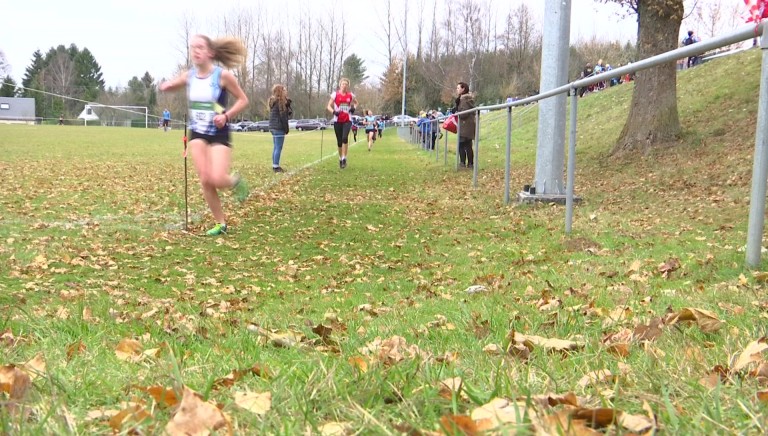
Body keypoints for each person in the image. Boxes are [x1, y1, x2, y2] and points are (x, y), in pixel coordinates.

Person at [159, 34, 250, 236]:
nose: (196, 51)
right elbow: (176, 83)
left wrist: (225, 115)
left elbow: (243, 100)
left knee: (217, 177)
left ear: (210, 52)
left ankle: (235, 181)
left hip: (219, 131)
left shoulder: (222, 76)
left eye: (200, 47)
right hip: (197, 131)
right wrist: (166, 86)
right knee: (206, 180)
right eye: (193, 48)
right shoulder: (190, 76)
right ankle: (221, 223)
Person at [326, 78, 358, 169]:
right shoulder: (335, 94)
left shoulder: (350, 95)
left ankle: (344, 158)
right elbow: (328, 106)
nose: (344, 85)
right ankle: (340, 158)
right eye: (343, 84)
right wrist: (333, 112)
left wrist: (353, 108)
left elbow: (356, 103)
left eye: (346, 84)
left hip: (347, 120)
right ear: (340, 85)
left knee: (345, 138)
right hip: (337, 120)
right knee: (339, 141)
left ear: (348, 86)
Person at [267, 84, 292, 173]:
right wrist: (286, 129)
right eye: (284, 90)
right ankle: (276, 166)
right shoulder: (280, 102)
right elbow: (283, 117)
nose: (286, 91)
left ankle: (274, 164)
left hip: (273, 127)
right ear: (280, 91)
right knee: (278, 147)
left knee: (275, 147)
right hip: (278, 127)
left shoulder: (273, 101)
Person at [452, 82, 476, 169]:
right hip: (468, 125)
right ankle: (470, 164)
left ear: (463, 89)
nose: (457, 90)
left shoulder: (464, 100)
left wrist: (458, 113)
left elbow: (464, 113)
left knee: (462, 145)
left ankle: (463, 163)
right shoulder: (466, 99)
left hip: (465, 125)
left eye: (458, 88)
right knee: (467, 145)